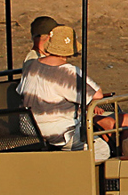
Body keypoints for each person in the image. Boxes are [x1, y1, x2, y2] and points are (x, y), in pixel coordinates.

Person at [18, 25, 111, 161]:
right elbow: (97, 94)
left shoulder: (31, 65)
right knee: (102, 149)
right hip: (58, 132)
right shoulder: (67, 71)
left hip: (28, 126)